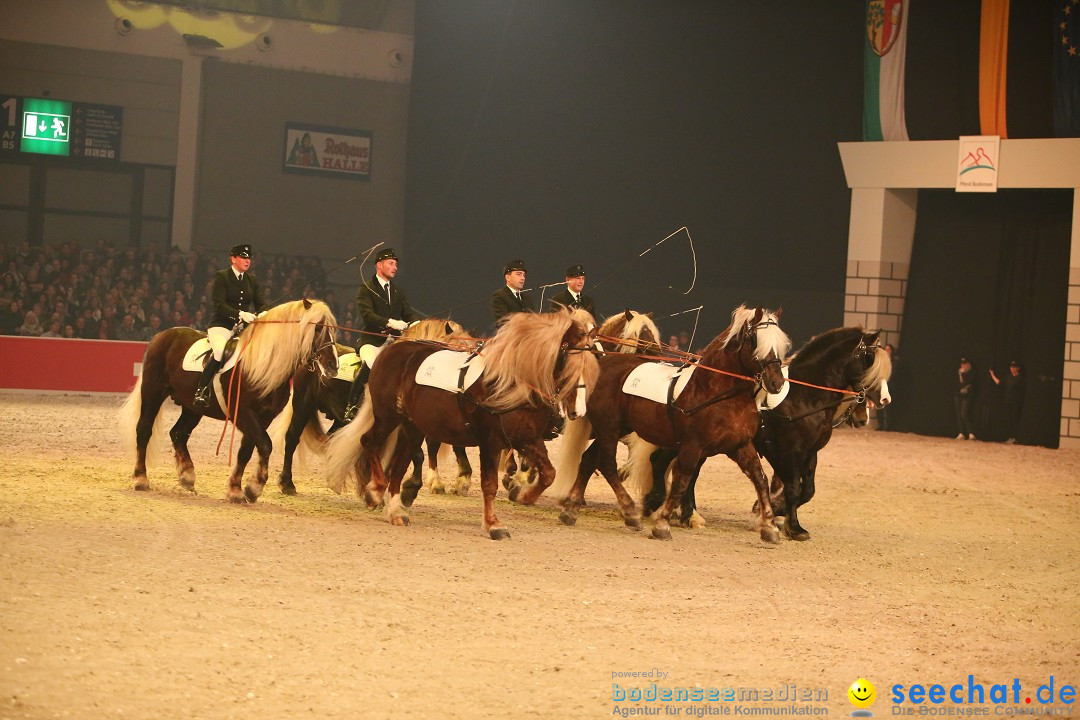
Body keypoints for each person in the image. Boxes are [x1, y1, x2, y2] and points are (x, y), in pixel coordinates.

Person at [343, 247, 420, 421]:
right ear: (379, 265)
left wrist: (417, 324)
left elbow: (408, 313)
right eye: (391, 263)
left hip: (394, 342)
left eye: (396, 264)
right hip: (372, 341)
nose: (395, 267)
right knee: (371, 364)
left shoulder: (398, 292)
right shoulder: (366, 289)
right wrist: (390, 322)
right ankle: (352, 405)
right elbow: (367, 315)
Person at [194, 244, 268, 408]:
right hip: (221, 325)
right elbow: (219, 305)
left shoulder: (252, 280)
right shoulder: (222, 277)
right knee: (220, 351)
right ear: (233, 258)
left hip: (244, 328)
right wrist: (239, 314)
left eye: (249, 258)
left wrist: (263, 313)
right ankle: (202, 389)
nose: (247, 261)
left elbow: (261, 304)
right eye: (243, 257)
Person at [989, 360, 1025, 443]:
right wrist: (992, 375)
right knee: (1009, 420)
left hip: (1016, 402)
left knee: (1015, 419)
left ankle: (1016, 437)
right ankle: (1011, 436)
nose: (1012, 369)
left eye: (1014, 367)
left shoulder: (1020, 378)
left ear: (1018, 368)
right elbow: (999, 383)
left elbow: (1022, 391)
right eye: (1011, 367)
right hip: (1008, 401)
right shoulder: (1008, 377)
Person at [490, 259, 535, 324]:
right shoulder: (499, 296)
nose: (523, 278)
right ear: (508, 277)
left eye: (524, 275)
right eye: (519, 274)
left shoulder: (528, 299)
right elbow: (503, 322)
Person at [955, 356, 977, 440]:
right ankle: (961, 432)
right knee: (958, 414)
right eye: (962, 364)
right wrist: (959, 387)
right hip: (958, 394)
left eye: (965, 364)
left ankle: (971, 433)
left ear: (969, 364)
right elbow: (956, 383)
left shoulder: (972, 372)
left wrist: (963, 374)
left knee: (964, 413)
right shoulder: (958, 372)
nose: (963, 365)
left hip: (967, 395)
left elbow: (968, 381)